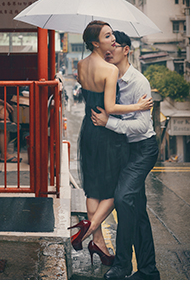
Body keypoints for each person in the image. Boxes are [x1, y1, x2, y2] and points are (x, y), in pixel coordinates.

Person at [70, 20, 152, 264]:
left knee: (93, 188)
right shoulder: (110, 69)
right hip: (106, 131)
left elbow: (89, 95)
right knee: (117, 188)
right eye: (108, 36)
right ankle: (90, 228)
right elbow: (109, 107)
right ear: (96, 42)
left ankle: (99, 243)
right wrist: (137, 106)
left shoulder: (81, 65)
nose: (113, 40)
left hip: (88, 129)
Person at [92, 31, 160, 280]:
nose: (109, 49)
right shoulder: (109, 78)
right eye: (107, 45)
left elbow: (141, 127)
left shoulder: (138, 82)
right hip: (124, 151)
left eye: (115, 45)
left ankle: (122, 265)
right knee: (136, 209)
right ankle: (149, 270)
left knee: (122, 199)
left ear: (127, 50)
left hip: (143, 149)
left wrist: (109, 122)